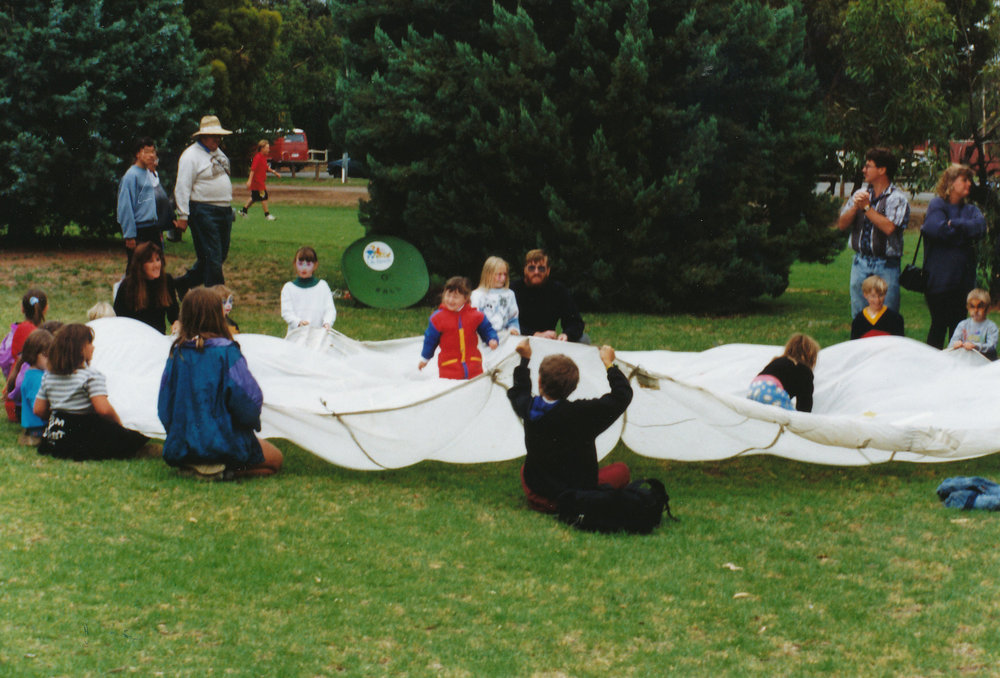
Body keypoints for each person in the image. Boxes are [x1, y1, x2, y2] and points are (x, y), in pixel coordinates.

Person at [157, 287, 283, 479]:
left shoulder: (177, 354)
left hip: (183, 447)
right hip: (221, 445)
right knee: (275, 460)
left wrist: (179, 433)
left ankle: (196, 466)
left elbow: (164, 406)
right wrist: (249, 427)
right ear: (217, 315)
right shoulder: (227, 353)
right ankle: (224, 471)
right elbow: (248, 400)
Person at [507, 338, 633, 512]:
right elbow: (622, 396)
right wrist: (609, 363)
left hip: (538, 493)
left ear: (539, 382)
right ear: (573, 387)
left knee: (525, 470)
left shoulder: (530, 408)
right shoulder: (582, 413)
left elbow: (519, 391)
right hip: (576, 493)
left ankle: (547, 501)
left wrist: (525, 359)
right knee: (622, 471)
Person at [34, 324, 151, 461]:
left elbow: (38, 409)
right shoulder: (90, 376)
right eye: (89, 343)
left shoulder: (49, 376)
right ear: (79, 349)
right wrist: (119, 426)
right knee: (135, 438)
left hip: (56, 436)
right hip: (83, 432)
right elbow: (103, 410)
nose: (93, 347)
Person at [836, 148, 910, 318]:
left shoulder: (897, 199)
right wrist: (856, 206)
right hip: (860, 263)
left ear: (882, 170)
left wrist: (867, 208)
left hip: (887, 265)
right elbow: (841, 224)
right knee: (860, 316)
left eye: (868, 166)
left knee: (887, 317)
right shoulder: (859, 195)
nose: (863, 170)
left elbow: (889, 228)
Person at [921, 164, 987, 349]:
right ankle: (933, 369)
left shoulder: (971, 209)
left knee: (960, 330)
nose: (969, 184)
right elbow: (937, 230)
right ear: (950, 182)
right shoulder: (937, 205)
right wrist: (965, 232)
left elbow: (981, 228)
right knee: (938, 326)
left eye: (970, 180)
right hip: (938, 281)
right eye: (964, 180)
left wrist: (955, 224)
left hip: (963, 282)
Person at [173, 115, 234, 296]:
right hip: (203, 211)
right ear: (203, 137)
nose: (217, 139)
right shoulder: (190, 156)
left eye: (219, 136)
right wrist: (183, 215)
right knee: (212, 257)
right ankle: (216, 298)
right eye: (213, 135)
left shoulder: (218, 154)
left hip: (223, 211)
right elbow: (182, 187)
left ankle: (183, 283)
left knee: (218, 256)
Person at [419, 276, 499, 379]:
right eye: (448, 295)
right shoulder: (437, 318)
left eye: (455, 297)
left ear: (465, 298)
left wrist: (492, 339)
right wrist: (425, 358)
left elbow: (487, 329)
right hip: (449, 370)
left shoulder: (475, 316)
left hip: (474, 367)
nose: (451, 300)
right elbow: (430, 340)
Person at [511, 249, 587, 343]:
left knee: (583, 339)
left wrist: (566, 334)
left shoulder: (558, 290)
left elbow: (576, 322)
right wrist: (536, 334)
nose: (536, 272)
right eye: (531, 268)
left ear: (548, 271)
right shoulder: (513, 290)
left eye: (541, 268)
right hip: (520, 341)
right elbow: (507, 324)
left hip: (548, 342)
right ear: (525, 270)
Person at [117, 137, 165, 267]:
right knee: (136, 268)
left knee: (156, 266)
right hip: (140, 230)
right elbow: (125, 207)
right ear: (138, 154)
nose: (151, 155)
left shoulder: (147, 173)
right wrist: (129, 235)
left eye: (153, 152)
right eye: (147, 151)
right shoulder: (131, 176)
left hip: (152, 227)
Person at [113, 242, 180, 334]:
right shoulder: (128, 285)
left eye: (157, 259)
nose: (156, 265)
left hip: (158, 336)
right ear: (140, 265)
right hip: (134, 336)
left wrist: (177, 322)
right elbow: (119, 318)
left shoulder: (167, 280)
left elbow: (174, 313)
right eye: (150, 261)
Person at [2, 289, 47, 420]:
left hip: (13, 401)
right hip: (22, 404)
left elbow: (9, 363)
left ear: (22, 308)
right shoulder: (39, 336)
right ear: (46, 308)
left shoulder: (17, 331)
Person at [747, 333, 819, 412]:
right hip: (770, 390)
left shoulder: (777, 360)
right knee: (791, 418)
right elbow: (805, 403)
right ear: (810, 357)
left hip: (753, 388)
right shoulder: (805, 371)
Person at [280, 246, 336, 334]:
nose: (304, 268)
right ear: (295, 264)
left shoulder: (322, 286)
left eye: (308, 264)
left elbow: (330, 309)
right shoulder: (288, 288)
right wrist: (298, 322)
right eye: (300, 263)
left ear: (315, 265)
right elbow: (286, 312)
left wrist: (327, 323)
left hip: (319, 336)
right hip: (296, 336)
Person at [17, 329, 53, 446]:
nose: (50, 359)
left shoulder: (34, 373)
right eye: (45, 355)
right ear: (33, 354)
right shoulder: (36, 378)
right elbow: (38, 408)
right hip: (37, 430)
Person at [470, 256, 520, 336]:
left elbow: (513, 319)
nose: (503, 278)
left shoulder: (510, 294)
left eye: (505, 274)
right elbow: (473, 321)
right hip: (482, 338)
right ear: (488, 274)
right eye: (499, 274)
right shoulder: (476, 294)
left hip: (505, 337)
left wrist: (514, 330)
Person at [850, 275, 905, 339]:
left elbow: (899, 344)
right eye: (873, 296)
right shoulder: (858, 320)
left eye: (881, 295)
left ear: (885, 294)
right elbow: (855, 346)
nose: (877, 300)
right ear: (865, 295)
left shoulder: (895, 319)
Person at [949, 288, 998, 360]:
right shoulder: (963, 325)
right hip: (966, 359)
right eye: (972, 307)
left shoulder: (991, 327)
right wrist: (955, 344)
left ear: (988, 309)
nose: (975, 310)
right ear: (968, 308)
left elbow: (991, 346)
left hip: (985, 361)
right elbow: (951, 343)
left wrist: (975, 346)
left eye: (980, 307)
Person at [238, 139, 281, 220]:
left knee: (254, 198)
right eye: (267, 148)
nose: (269, 149)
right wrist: (249, 181)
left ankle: (243, 211)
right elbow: (253, 169)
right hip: (258, 182)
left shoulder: (263, 157)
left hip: (259, 181)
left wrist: (275, 172)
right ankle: (267, 215)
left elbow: (266, 167)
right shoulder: (257, 157)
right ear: (262, 148)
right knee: (264, 196)